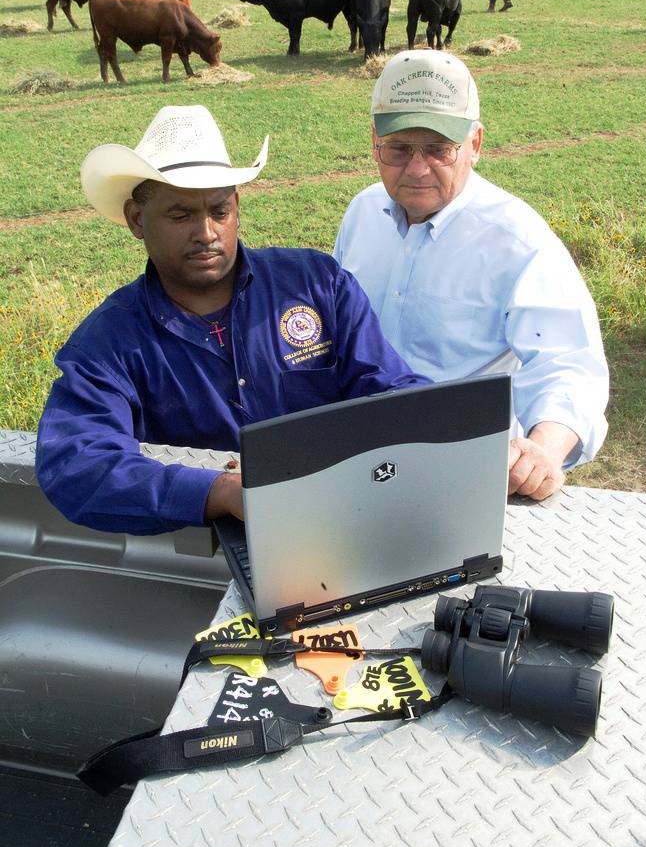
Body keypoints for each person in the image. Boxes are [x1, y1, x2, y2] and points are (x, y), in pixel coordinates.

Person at [36, 105, 428, 536]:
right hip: (203, 548)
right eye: (180, 215)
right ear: (136, 219)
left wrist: (443, 425)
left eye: (219, 211)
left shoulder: (318, 284)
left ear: (236, 207)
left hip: (342, 520)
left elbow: (390, 391)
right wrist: (217, 492)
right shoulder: (109, 342)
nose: (206, 232)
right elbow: (76, 463)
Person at [334, 50, 609, 502]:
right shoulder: (362, 214)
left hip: (462, 474)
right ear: (374, 141)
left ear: (475, 144)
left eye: (439, 150)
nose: (417, 169)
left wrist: (544, 449)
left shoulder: (517, 242)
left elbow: (568, 362)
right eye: (399, 149)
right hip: (359, 463)